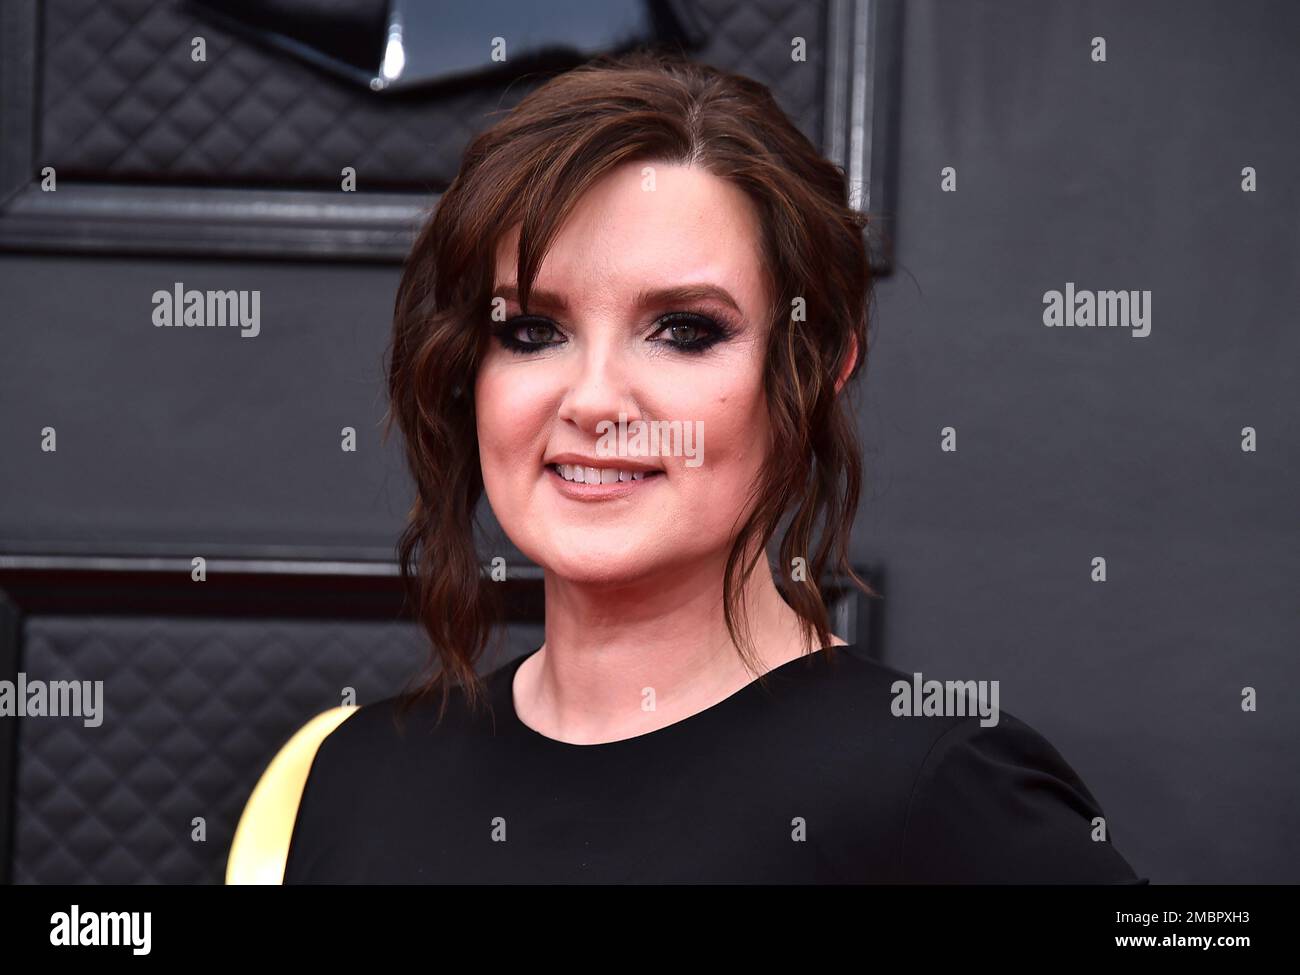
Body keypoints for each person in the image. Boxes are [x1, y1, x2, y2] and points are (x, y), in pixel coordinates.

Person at [282, 49, 1145, 884]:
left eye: (684, 331)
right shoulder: (358, 775)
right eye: (532, 331)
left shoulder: (936, 787)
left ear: (819, 366)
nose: (593, 401)